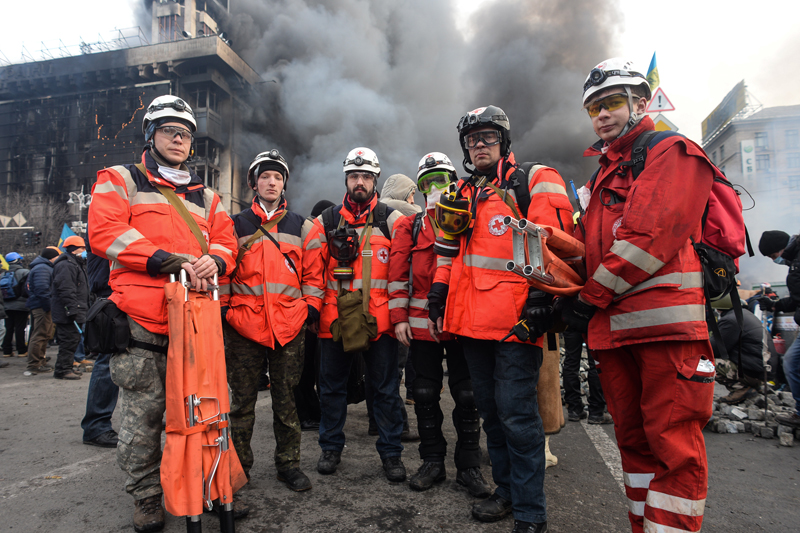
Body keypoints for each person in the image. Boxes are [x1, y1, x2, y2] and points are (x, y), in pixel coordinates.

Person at [559, 58, 718, 533]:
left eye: (610, 103)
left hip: (666, 330)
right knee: (635, 444)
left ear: (640, 102)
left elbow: (647, 238)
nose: (601, 115)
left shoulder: (671, 150)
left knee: (674, 448)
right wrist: (547, 260)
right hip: (617, 333)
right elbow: (590, 247)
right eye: (593, 108)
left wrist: (588, 298)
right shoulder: (604, 173)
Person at [88, 94, 238, 533]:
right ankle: (148, 497)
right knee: (144, 418)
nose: (179, 138)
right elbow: (105, 232)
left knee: (204, 413)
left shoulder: (207, 197)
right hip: (143, 324)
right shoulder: (120, 179)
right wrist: (166, 260)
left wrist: (219, 261)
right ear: (150, 135)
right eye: (171, 131)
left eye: (186, 133)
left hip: (196, 324)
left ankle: (206, 487)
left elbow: (227, 242)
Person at [429, 106, 575, 533]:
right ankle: (507, 492)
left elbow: (559, 243)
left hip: (517, 322)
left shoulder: (533, 179)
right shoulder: (459, 192)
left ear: (504, 141)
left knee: (518, 416)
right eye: (472, 140)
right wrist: (438, 293)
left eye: (488, 137)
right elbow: (447, 252)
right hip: (471, 323)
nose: (479, 145)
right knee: (491, 414)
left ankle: (531, 511)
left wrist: (539, 298)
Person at [389, 151, 490, 497]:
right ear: (419, 188)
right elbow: (398, 275)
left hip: (461, 323)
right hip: (420, 327)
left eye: (442, 179)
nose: (435, 187)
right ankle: (432, 461)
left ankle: (470, 467)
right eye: (427, 182)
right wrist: (398, 318)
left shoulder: (468, 217)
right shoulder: (409, 225)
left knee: (467, 393)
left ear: (454, 182)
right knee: (424, 392)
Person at [220, 149, 322, 493]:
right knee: (241, 404)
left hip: (288, 327)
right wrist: (224, 310)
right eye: (265, 176)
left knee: (287, 401)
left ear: (284, 185)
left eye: (277, 177)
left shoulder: (302, 226)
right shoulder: (233, 226)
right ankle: (238, 469)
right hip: (242, 328)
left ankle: (289, 466)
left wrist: (309, 308)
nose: (271, 182)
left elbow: (315, 274)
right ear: (254, 182)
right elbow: (222, 272)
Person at [307, 147, 407, 482]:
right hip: (335, 321)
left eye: (365, 176)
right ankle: (330, 448)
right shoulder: (326, 222)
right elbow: (313, 273)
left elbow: (400, 275)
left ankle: (392, 454)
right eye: (354, 176)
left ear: (375, 179)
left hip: (380, 323)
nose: (359, 182)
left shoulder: (392, 221)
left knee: (385, 389)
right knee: (332, 389)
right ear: (346, 180)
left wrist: (399, 316)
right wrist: (313, 313)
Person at [295, 199, 336, 431]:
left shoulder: (307, 233)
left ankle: (310, 412)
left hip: (306, 310)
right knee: (304, 370)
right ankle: (306, 414)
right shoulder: (311, 236)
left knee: (306, 369)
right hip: (305, 313)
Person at [80, 233, 120, 448]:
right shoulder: (106, 213)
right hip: (112, 292)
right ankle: (96, 426)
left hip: (120, 289)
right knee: (108, 359)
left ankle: (97, 424)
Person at [757, 230, 800, 427]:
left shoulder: (797, 262)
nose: (776, 260)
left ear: (781, 248)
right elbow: (797, 300)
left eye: (774, 256)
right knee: (791, 363)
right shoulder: (795, 262)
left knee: (792, 363)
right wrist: (775, 305)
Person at [711, 302, 767, 404]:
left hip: (752, 372)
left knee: (703, 363)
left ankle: (741, 389)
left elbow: (714, 349)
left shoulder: (730, 320)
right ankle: (754, 387)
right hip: (763, 371)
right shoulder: (744, 314)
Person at [50, 236, 89, 380]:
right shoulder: (67, 265)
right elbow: (66, 289)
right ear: (73, 249)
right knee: (68, 341)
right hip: (69, 311)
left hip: (73, 309)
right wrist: (72, 309)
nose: (84, 251)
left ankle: (66, 367)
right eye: (82, 248)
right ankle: (63, 370)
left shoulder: (74, 264)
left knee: (72, 340)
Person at [561, 330, 612, 424]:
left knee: (571, 361)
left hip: (571, 320)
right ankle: (596, 411)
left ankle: (574, 408)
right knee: (595, 363)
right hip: (591, 320)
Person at [24, 247, 60, 375]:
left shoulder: (42, 267)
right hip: (42, 306)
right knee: (40, 334)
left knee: (45, 333)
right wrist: (49, 306)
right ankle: (34, 363)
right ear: (52, 257)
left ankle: (40, 360)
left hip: (42, 305)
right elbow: (42, 289)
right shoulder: (43, 268)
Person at [1, 252, 30, 358]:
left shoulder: (3, 274)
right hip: (21, 305)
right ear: (18, 261)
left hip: (7, 305)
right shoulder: (25, 272)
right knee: (20, 327)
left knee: (9, 327)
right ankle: (21, 350)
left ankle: (7, 351)